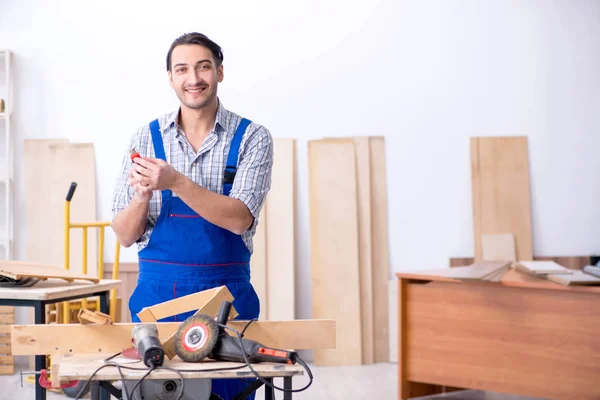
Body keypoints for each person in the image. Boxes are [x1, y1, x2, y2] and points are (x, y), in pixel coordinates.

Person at [110, 32, 273, 400]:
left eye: (203, 67)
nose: (193, 78)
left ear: (220, 72)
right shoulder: (146, 138)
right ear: (171, 78)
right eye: (182, 69)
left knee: (229, 393)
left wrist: (177, 182)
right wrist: (142, 197)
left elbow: (239, 218)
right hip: (156, 305)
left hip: (227, 304)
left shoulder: (252, 138)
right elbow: (123, 234)